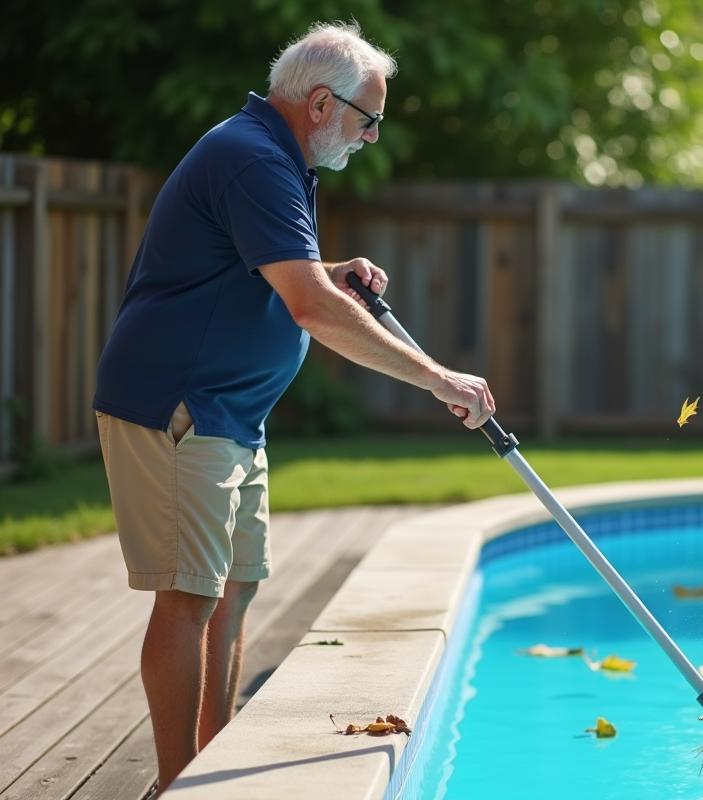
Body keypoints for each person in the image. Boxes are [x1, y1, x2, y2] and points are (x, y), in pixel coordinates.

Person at [91, 21, 495, 793]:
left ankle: (214, 760)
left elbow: (280, 275)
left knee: (233, 591)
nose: (374, 137)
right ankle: (179, 785)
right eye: (369, 118)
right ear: (319, 102)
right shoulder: (252, 158)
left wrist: (328, 268)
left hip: (232, 413)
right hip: (181, 407)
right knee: (188, 598)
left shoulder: (275, 155)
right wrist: (442, 379)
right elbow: (308, 309)